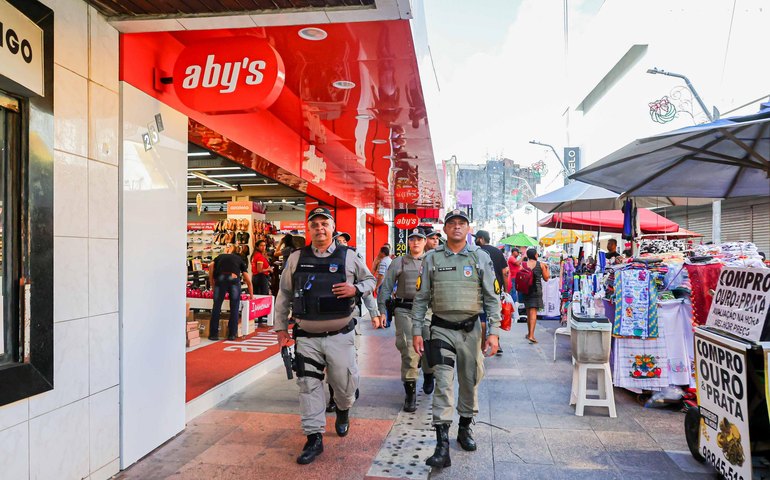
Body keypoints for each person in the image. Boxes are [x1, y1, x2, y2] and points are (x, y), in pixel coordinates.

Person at [274, 208, 376, 465]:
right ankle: (314, 437)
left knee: (343, 385)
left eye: (324, 224)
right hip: (306, 336)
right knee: (308, 386)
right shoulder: (297, 258)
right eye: (315, 224)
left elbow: (371, 281)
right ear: (309, 230)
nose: (320, 228)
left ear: (333, 228)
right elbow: (284, 294)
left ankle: (343, 410)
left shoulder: (349, 256)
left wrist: (355, 288)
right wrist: (280, 329)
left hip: (340, 335)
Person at [411, 209, 501, 469]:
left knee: (470, 380)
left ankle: (464, 428)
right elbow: (421, 299)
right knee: (443, 382)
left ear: (468, 228)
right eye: (452, 223)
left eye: (462, 223)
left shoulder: (479, 257)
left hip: (471, 331)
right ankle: (441, 444)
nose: (457, 227)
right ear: (446, 228)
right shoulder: (432, 258)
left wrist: (493, 332)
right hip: (440, 329)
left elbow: (492, 299)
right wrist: (418, 330)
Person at [376, 227, 434, 412]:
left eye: (419, 239)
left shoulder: (432, 262)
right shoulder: (399, 262)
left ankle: (429, 374)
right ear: (408, 242)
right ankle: (410, 392)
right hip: (404, 310)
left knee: (429, 347)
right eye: (412, 239)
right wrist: (382, 310)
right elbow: (386, 287)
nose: (415, 242)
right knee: (409, 350)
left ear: (425, 242)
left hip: (428, 312)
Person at [325, 231, 378, 413]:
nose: (341, 243)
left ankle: (349, 388)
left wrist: (374, 313)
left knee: (350, 358)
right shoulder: (322, 261)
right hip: (328, 318)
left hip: (351, 316)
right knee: (331, 363)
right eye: (338, 240)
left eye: (344, 241)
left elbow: (366, 289)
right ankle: (334, 397)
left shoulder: (352, 259)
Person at [208, 244, 254, 341]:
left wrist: (212, 283)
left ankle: (213, 334)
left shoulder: (220, 256)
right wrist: (251, 296)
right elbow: (248, 280)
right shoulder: (240, 260)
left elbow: (211, 265)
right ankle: (232, 334)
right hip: (234, 279)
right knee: (234, 307)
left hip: (220, 279)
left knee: (216, 307)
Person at [474, 230, 508, 356]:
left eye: (477, 238)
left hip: (479, 289)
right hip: (496, 288)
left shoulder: (476, 252)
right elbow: (505, 272)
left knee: (482, 317)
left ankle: (483, 345)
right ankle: (496, 342)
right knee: (495, 314)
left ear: (481, 239)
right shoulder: (497, 252)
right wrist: (505, 288)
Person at [521, 248, 550, 344]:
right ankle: (531, 335)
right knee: (533, 313)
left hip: (526, 290)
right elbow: (546, 278)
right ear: (535, 255)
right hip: (536, 290)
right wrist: (547, 268)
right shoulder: (541, 265)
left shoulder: (524, 265)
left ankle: (529, 333)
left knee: (529, 312)